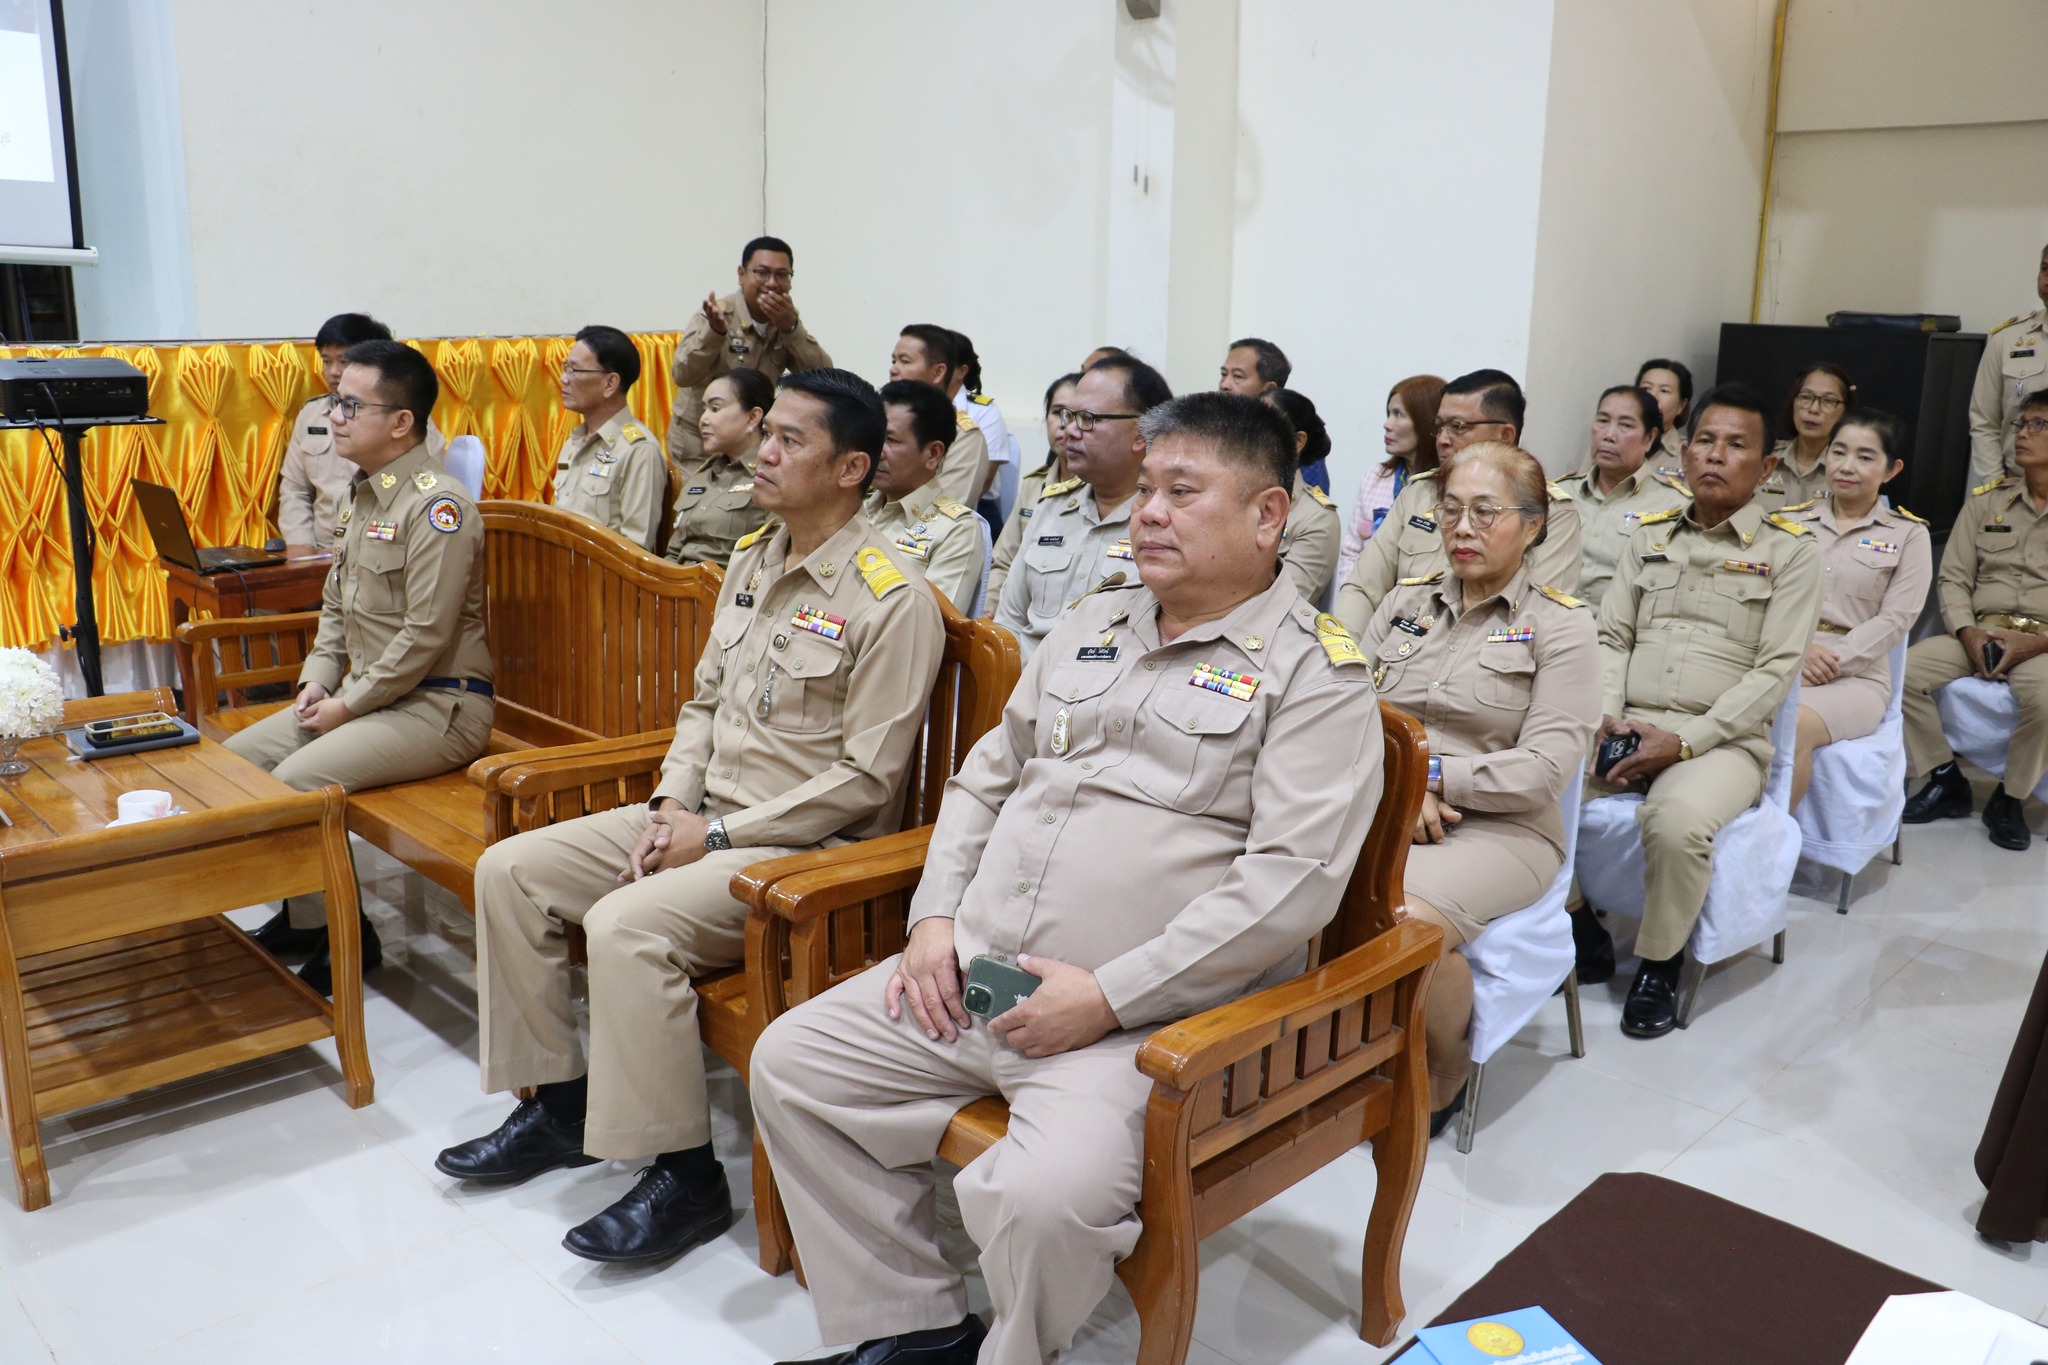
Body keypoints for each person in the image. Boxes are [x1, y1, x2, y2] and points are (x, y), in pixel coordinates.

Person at [748, 391, 1383, 1365]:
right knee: (794, 1064)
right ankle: (912, 1327)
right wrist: (933, 921)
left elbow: (1288, 887)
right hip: (974, 974)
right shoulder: (1095, 620)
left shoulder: (1315, 675)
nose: (1148, 512)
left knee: (1043, 1201)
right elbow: (983, 781)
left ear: (1267, 515)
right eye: (1147, 488)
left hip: (1140, 1026)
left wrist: (1108, 996)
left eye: (1182, 492)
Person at [435, 369, 945, 1266]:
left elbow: (867, 782)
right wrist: (672, 801)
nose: (765, 451)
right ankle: (558, 1106)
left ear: (851, 468)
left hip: (801, 853)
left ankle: (684, 1175)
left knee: (624, 925)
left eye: (789, 440)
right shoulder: (753, 557)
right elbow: (704, 704)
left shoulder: (889, 596)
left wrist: (710, 835)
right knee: (509, 868)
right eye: (767, 432)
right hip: (704, 816)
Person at [230, 340, 493, 993]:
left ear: (401, 422)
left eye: (350, 405)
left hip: (439, 705)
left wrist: (346, 705)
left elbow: (425, 635)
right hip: (371, 697)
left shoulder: (438, 507)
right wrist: (316, 681)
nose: (334, 417)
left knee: (296, 783)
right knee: (235, 764)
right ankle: (307, 918)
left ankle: (347, 934)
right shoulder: (364, 496)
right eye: (335, 402)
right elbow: (335, 608)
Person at [1358, 442, 1599, 1131]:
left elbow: (1543, 769)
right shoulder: (1403, 603)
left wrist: (1427, 777)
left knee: (1401, 917)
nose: (1462, 528)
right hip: (1386, 803)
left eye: (1486, 512)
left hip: (1505, 830)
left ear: (1533, 525)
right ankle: (1335, 1053)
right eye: (1451, 510)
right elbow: (1345, 717)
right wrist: (1401, 789)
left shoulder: (1562, 627)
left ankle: (1443, 1068)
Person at [1571, 384, 1822, 1038]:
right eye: (1705, 441)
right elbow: (1612, 637)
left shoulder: (1792, 552)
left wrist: (1683, 742)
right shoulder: (1649, 536)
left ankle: (1659, 964)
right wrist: (1607, 715)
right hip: (1629, 721)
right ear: (1683, 453)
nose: (1715, 455)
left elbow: (1775, 672)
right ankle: (1580, 927)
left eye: (1736, 446)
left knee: (1677, 820)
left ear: (1767, 467)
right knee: (1541, 786)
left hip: (1721, 743)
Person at [1902, 388, 2048, 851]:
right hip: (1979, 629)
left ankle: (2011, 798)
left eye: (2038, 425)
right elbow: (1953, 579)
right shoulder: (1987, 503)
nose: (2022, 433)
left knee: (2046, 700)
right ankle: (1945, 777)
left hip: (2042, 644)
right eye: (2021, 424)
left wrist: (2034, 645)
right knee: (1899, 673)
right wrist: (1967, 633)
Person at [1332, 369, 1583, 631]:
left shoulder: (1549, 511)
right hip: (1393, 645)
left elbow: (1535, 618)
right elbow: (1363, 588)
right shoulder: (1419, 493)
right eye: (1440, 426)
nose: (1442, 439)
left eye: (1457, 427)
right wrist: (1345, 652)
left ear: (1505, 435)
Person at [1782, 409, 1931, 809]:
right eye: (1838, 452)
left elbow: (1896, 619)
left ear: (1891, 470)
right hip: (1783, 655)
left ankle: (1770, 835)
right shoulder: (1787, 523)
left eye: (1865, 457)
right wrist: (1797, 653)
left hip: (1857, 678)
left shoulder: (1909, 535)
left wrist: (1828, 662)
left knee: (1790, 726)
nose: (1847, 466)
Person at [993, 354, 1171, 659]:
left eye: (1088, 419)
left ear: (1141, 435)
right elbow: (1009, 620)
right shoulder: (1052, 506)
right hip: (1024, 679)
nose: (1070, 432)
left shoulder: (1163, 521)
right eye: (1069, 416)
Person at [277, 313, 445, 547]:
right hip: (321, 551)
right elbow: (295, 490)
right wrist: (301, 549)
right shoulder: (312, 414)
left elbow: (422, 490)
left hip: (382, 546)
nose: (334, 372)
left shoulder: (407, 423)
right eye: (326, 361)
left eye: (344, 361)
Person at [664, 236, 832, 465]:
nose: (772, 283)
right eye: (761, 273)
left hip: (752, 445)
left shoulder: (786, 319)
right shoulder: (717, 314)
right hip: (699, 445)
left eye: (782, 274)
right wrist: (714, 333)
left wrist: (791, 329)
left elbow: (824, 377)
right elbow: (682, 374)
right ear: (741, 275)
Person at [1553, 385, 1691, 611]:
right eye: (1602, 421)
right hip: (1551, 624)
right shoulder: (1559, 494)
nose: (1608, 435)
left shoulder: (1675, 506)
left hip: (1621, 628)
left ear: (1649, 438)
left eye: (1625, 425)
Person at [869, 379, 986, 612]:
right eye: (875, 435)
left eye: (890, 440)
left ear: (933, 454)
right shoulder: (855, 507)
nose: (876, 450)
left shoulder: (956, 530)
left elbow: (930, 621)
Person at [551, 325, 667, 551]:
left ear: (610, 383)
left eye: (575, 370)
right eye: (566, 368)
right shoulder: (574, 441)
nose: (564, 379)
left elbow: (636, 549)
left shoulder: (638, 450)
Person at [984, 371, 1077, 613]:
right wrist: (988, 614)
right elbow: (1003, 562)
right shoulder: (1033, 485)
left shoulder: (1100, 490)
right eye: (1057, 412)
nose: (1064, 424)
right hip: (1013, 615)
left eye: (1074, 414)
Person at [1339, 374, 1444, 584]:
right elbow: (1351, 553)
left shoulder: (1446, 487)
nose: (1387, 424)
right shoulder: (1375, 478)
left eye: (1398, 414)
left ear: (1427, 422)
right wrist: (1351, 596)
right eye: (1389, 414)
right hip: (1366, 594)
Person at [666, 366, 774, 567]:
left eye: (715, 409)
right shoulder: (701, 476)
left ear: (752, 417)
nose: (703, 420)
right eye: (704, 409)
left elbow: (773, 557)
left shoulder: (770, 476)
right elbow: (673, 553)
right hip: (677, 581)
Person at [1969, 243, 2048, 486]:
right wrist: (1995, 487)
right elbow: (1984, 422)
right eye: (2045, 269)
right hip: (2016, 487)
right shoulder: (2008, 340)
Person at [888, 325, 992, 505]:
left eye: (905, 361)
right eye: (893, 361)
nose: (893, 370)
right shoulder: (880, 419)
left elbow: (946, 506)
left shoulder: (964, 436)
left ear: (938, 372)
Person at [1261, 387, 1341, 602]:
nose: (1247, 434)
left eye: (1263, 425)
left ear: (1297, 442)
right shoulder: (1226, 498)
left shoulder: (1317, 518)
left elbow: (1285, 602)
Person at [945, 330, 1018, 516]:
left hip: (973, 510)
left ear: (961, 370)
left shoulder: (984, 412)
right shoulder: (911, 408)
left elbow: (982, 483)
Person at [1764, 362, 1854, 511]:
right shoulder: (1765, 458)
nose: (1814, 409)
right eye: (1806, 397)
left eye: (1828, 401)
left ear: (1845, 411)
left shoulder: (1848, 470)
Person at [1637, 358, 1693, 463]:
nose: (1652, 396)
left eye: (1664, 391)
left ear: (1682, 405)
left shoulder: (1689, 454)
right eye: (1646, 388)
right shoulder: (1615, 442)